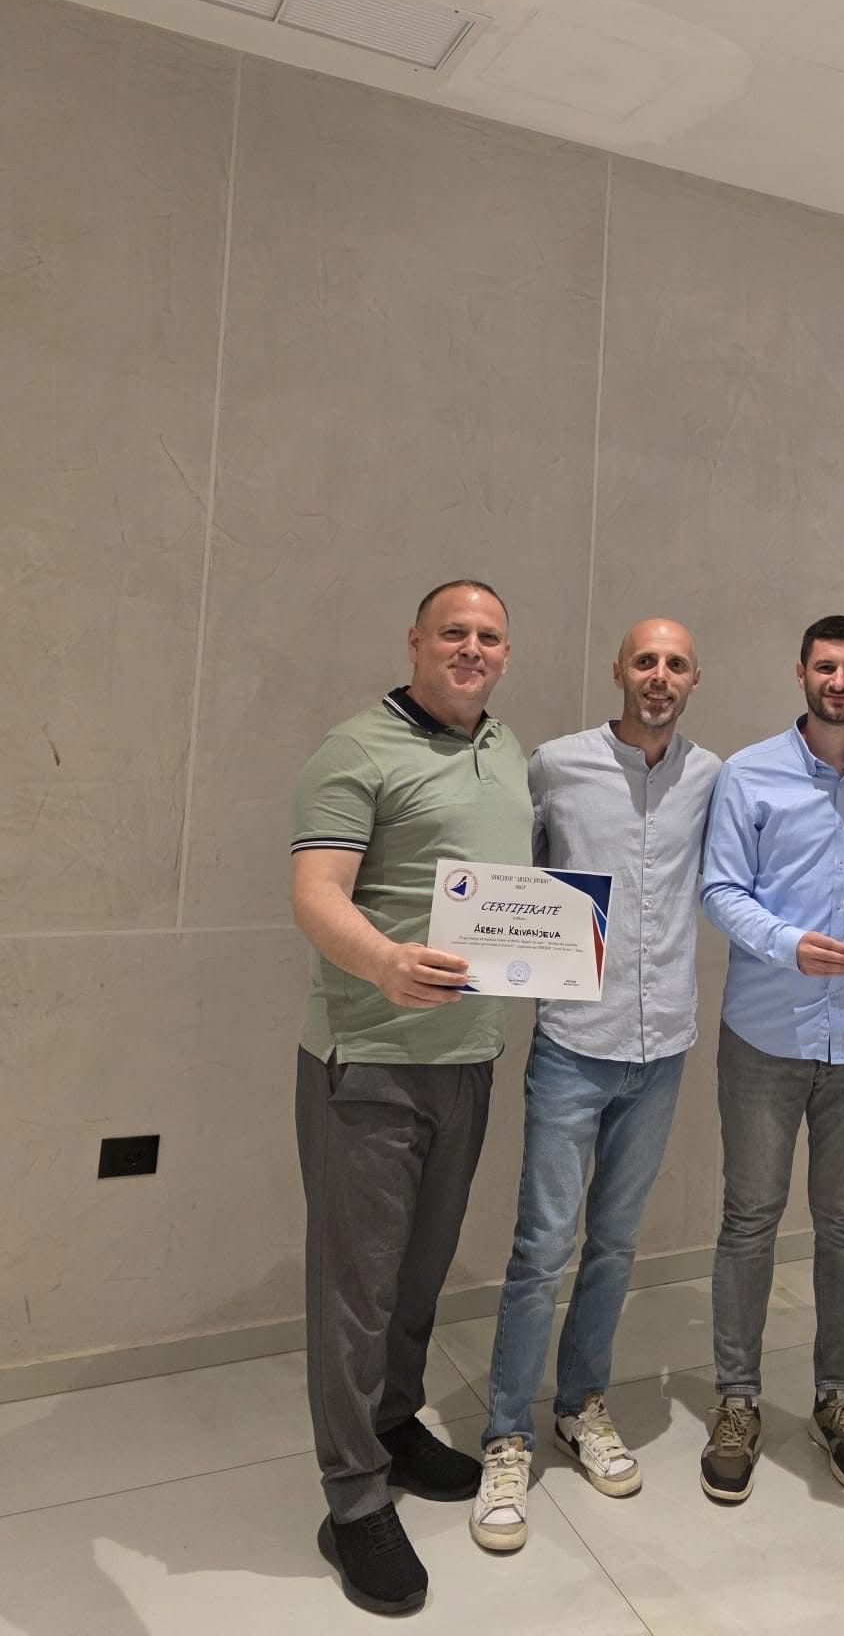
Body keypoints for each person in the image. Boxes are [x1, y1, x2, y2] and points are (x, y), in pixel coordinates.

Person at [291, 581, 532, 1616]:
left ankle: (392, 1426)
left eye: (489, 636)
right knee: (356, 1288)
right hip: (369, 1062)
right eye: (453, 633)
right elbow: (316, 893)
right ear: (416, 642)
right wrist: (385, 961)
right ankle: (352, 1497)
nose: (471, 648)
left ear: (505, 654)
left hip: (467, 1057)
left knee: (419, 1275)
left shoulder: (507, 751)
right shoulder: (355, 748)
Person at [470, 619, 721, 1553]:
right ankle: (506, 1435)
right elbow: (512, 879)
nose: (659, 675)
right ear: (618, 669)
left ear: (694, 679)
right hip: (575, 1042)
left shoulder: (711, 777)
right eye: (644, 660)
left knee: (614, 1245)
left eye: (675, 664)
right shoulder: (555, 765)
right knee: (542, 1247)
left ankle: (580, 1404)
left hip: (663, 1049)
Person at [698, 614, 844, 1503]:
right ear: (800, 673)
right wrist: (787, 943)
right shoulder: (747, 772)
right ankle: (737, 1400)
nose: (839, 680)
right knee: (749, 1219)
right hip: (766, 1032)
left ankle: (837, 1397)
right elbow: (720, 888)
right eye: (825, 666)